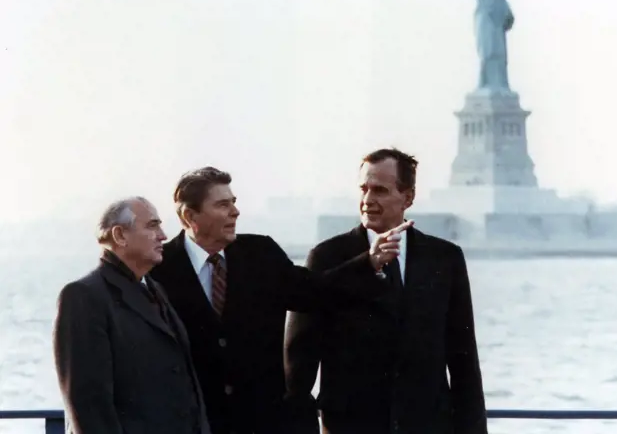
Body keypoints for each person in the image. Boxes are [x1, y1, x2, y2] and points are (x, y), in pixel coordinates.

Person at [150, 166, 408, 434]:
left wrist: (369, 262)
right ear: (190, 215)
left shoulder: (260, 254)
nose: (235, 212)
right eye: (222, 205)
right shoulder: (158, 268)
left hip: (261, 422)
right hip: (192, 422)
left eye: (234, 203)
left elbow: (315, 291)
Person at [284, 148, 488, 434]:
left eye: (379, 190)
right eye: (363, 189)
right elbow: (298, 362)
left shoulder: (445, 258)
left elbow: (464, 358)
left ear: (408, 197)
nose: (367, 200)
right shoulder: (328, 257)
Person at [53, 197, 211, 434]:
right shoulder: (84, 296)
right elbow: (88, 404)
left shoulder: (155, 290)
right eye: (152, 225)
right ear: (120, 236)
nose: (163, 235)